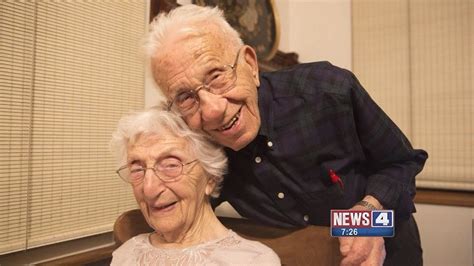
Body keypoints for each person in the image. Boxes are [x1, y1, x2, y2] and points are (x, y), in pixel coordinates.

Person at [143, 5, 428, 266]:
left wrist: (365, 220)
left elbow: (402, 163)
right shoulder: (198, 141)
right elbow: (184, 208)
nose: (213, 110)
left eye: (217, 76)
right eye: (185, 97)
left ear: (250, 66)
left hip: (388, 251)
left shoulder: (328, 90)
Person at [109, 107, 280, 265]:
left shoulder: (254, 261)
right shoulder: (126, 255)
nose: (149, 189)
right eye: (137, 169)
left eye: (171, 165)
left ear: (210, 177)